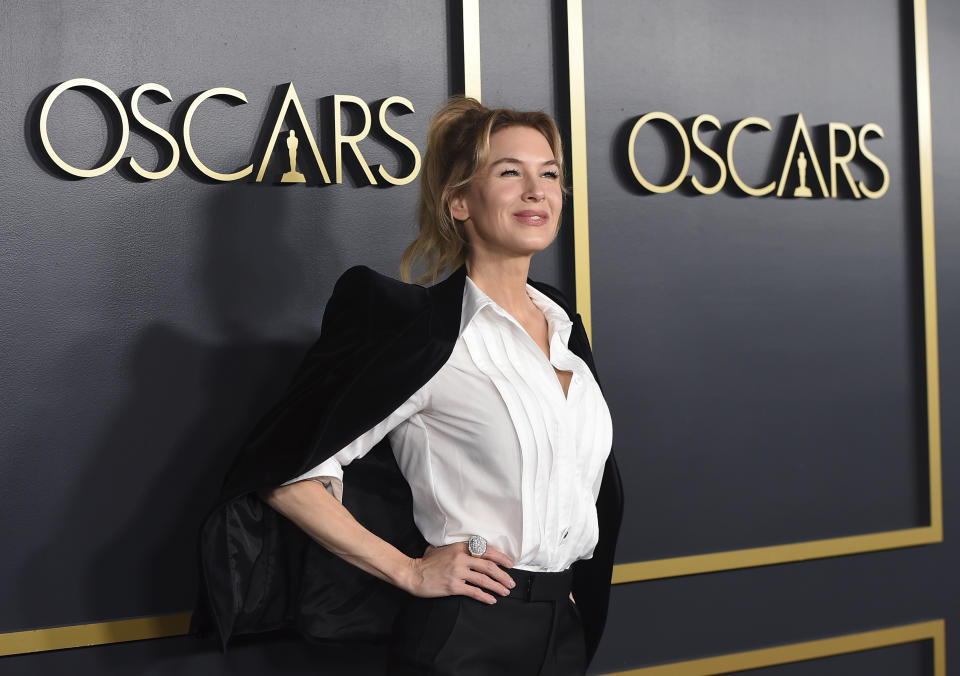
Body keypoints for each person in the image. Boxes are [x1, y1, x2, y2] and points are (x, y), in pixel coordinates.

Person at [191, 97, 623, 676]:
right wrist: (409, 570)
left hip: (563, 628)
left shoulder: (565, 325)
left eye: (549, 174)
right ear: (459, 202)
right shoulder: (424, 330)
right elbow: (285, 474)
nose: (536, 190)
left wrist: (558, 589)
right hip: (466, 632)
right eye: (509, 172)